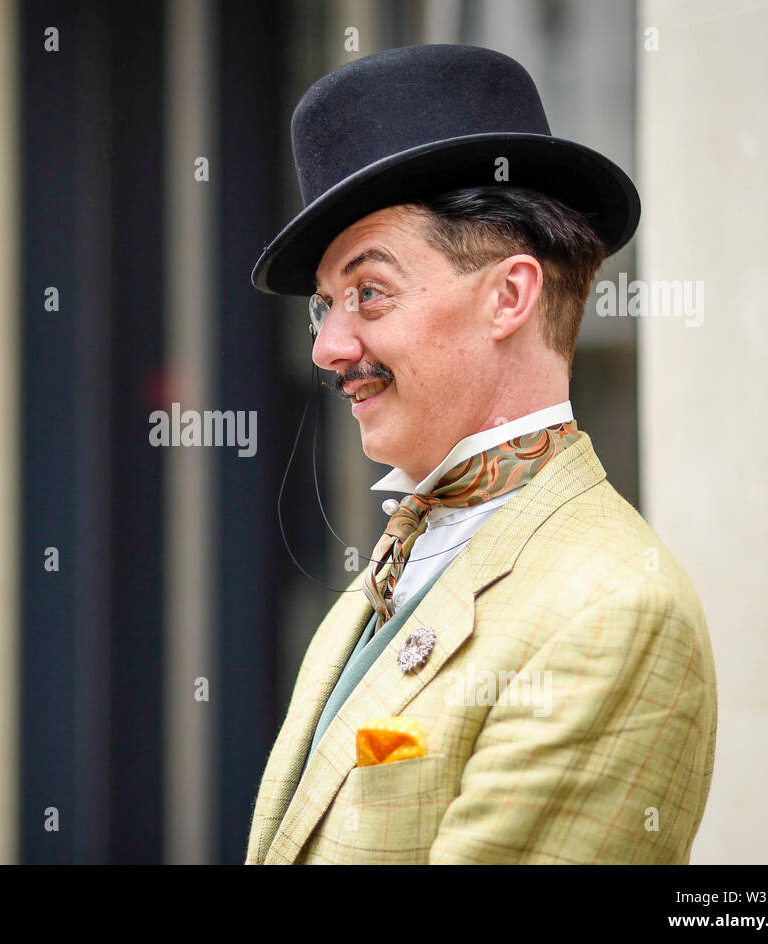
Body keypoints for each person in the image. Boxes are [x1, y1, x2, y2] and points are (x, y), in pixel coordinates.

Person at [245, 44, 717, 865]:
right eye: (323, 305)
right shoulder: (402, 554)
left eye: (369, 291)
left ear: (510, 295)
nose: (327, 345)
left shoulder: (612, 611)